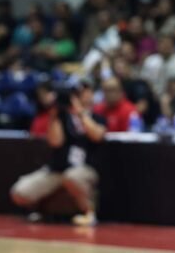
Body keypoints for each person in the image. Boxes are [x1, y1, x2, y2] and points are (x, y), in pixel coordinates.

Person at [10, 84, 106, 226]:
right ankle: (40, 210)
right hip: (57, 169)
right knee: (19, 192)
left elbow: (97, 135)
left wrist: (80, 113)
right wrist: (54, 115)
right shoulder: (61, 117)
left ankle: (89, 212)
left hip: (84, 169)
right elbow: (55, 142)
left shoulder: (96, 117)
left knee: (72, 177)